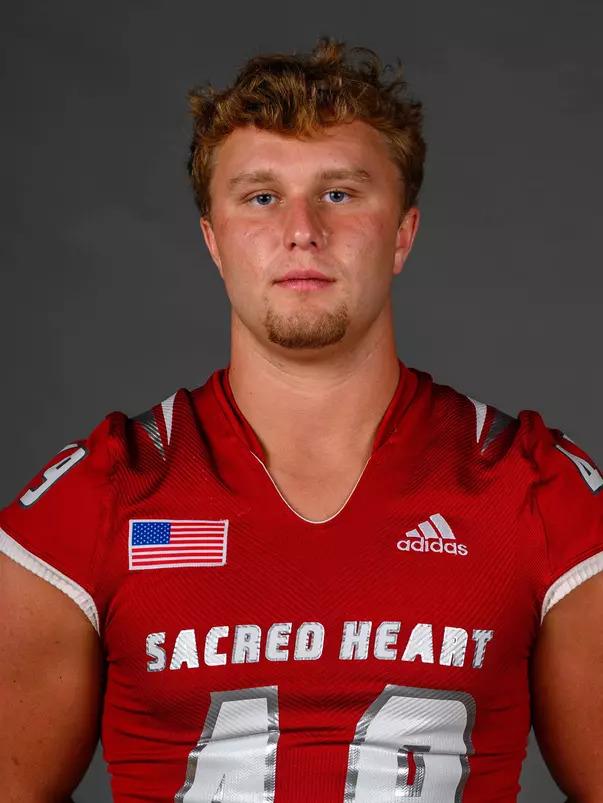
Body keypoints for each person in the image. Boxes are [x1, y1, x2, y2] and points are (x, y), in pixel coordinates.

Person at [1, 36, 602, 803]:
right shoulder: (94, 499)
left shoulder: (539, 491)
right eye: (260, 196)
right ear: (213, 243)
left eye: (341, 193)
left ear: (403, 234)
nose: (302, 230)